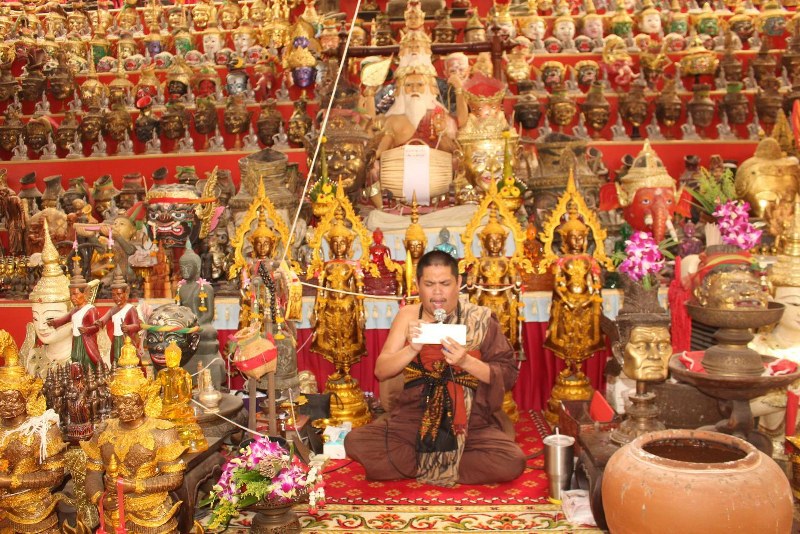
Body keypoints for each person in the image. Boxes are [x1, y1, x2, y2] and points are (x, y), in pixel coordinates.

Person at [344, 250, 525, 487]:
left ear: (458, 283)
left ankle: (423, 464)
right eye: (429, 284)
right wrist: (412, 348)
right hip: (414, 418)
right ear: (418, 285)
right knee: (354, 441)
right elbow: (382, 370)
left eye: (445, 284)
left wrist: (466, 361)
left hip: (467, 420)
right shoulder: (408, 316)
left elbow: (508, 374)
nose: (437, 292)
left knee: (512, 461)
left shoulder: (479, 318)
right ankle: (445, 465)